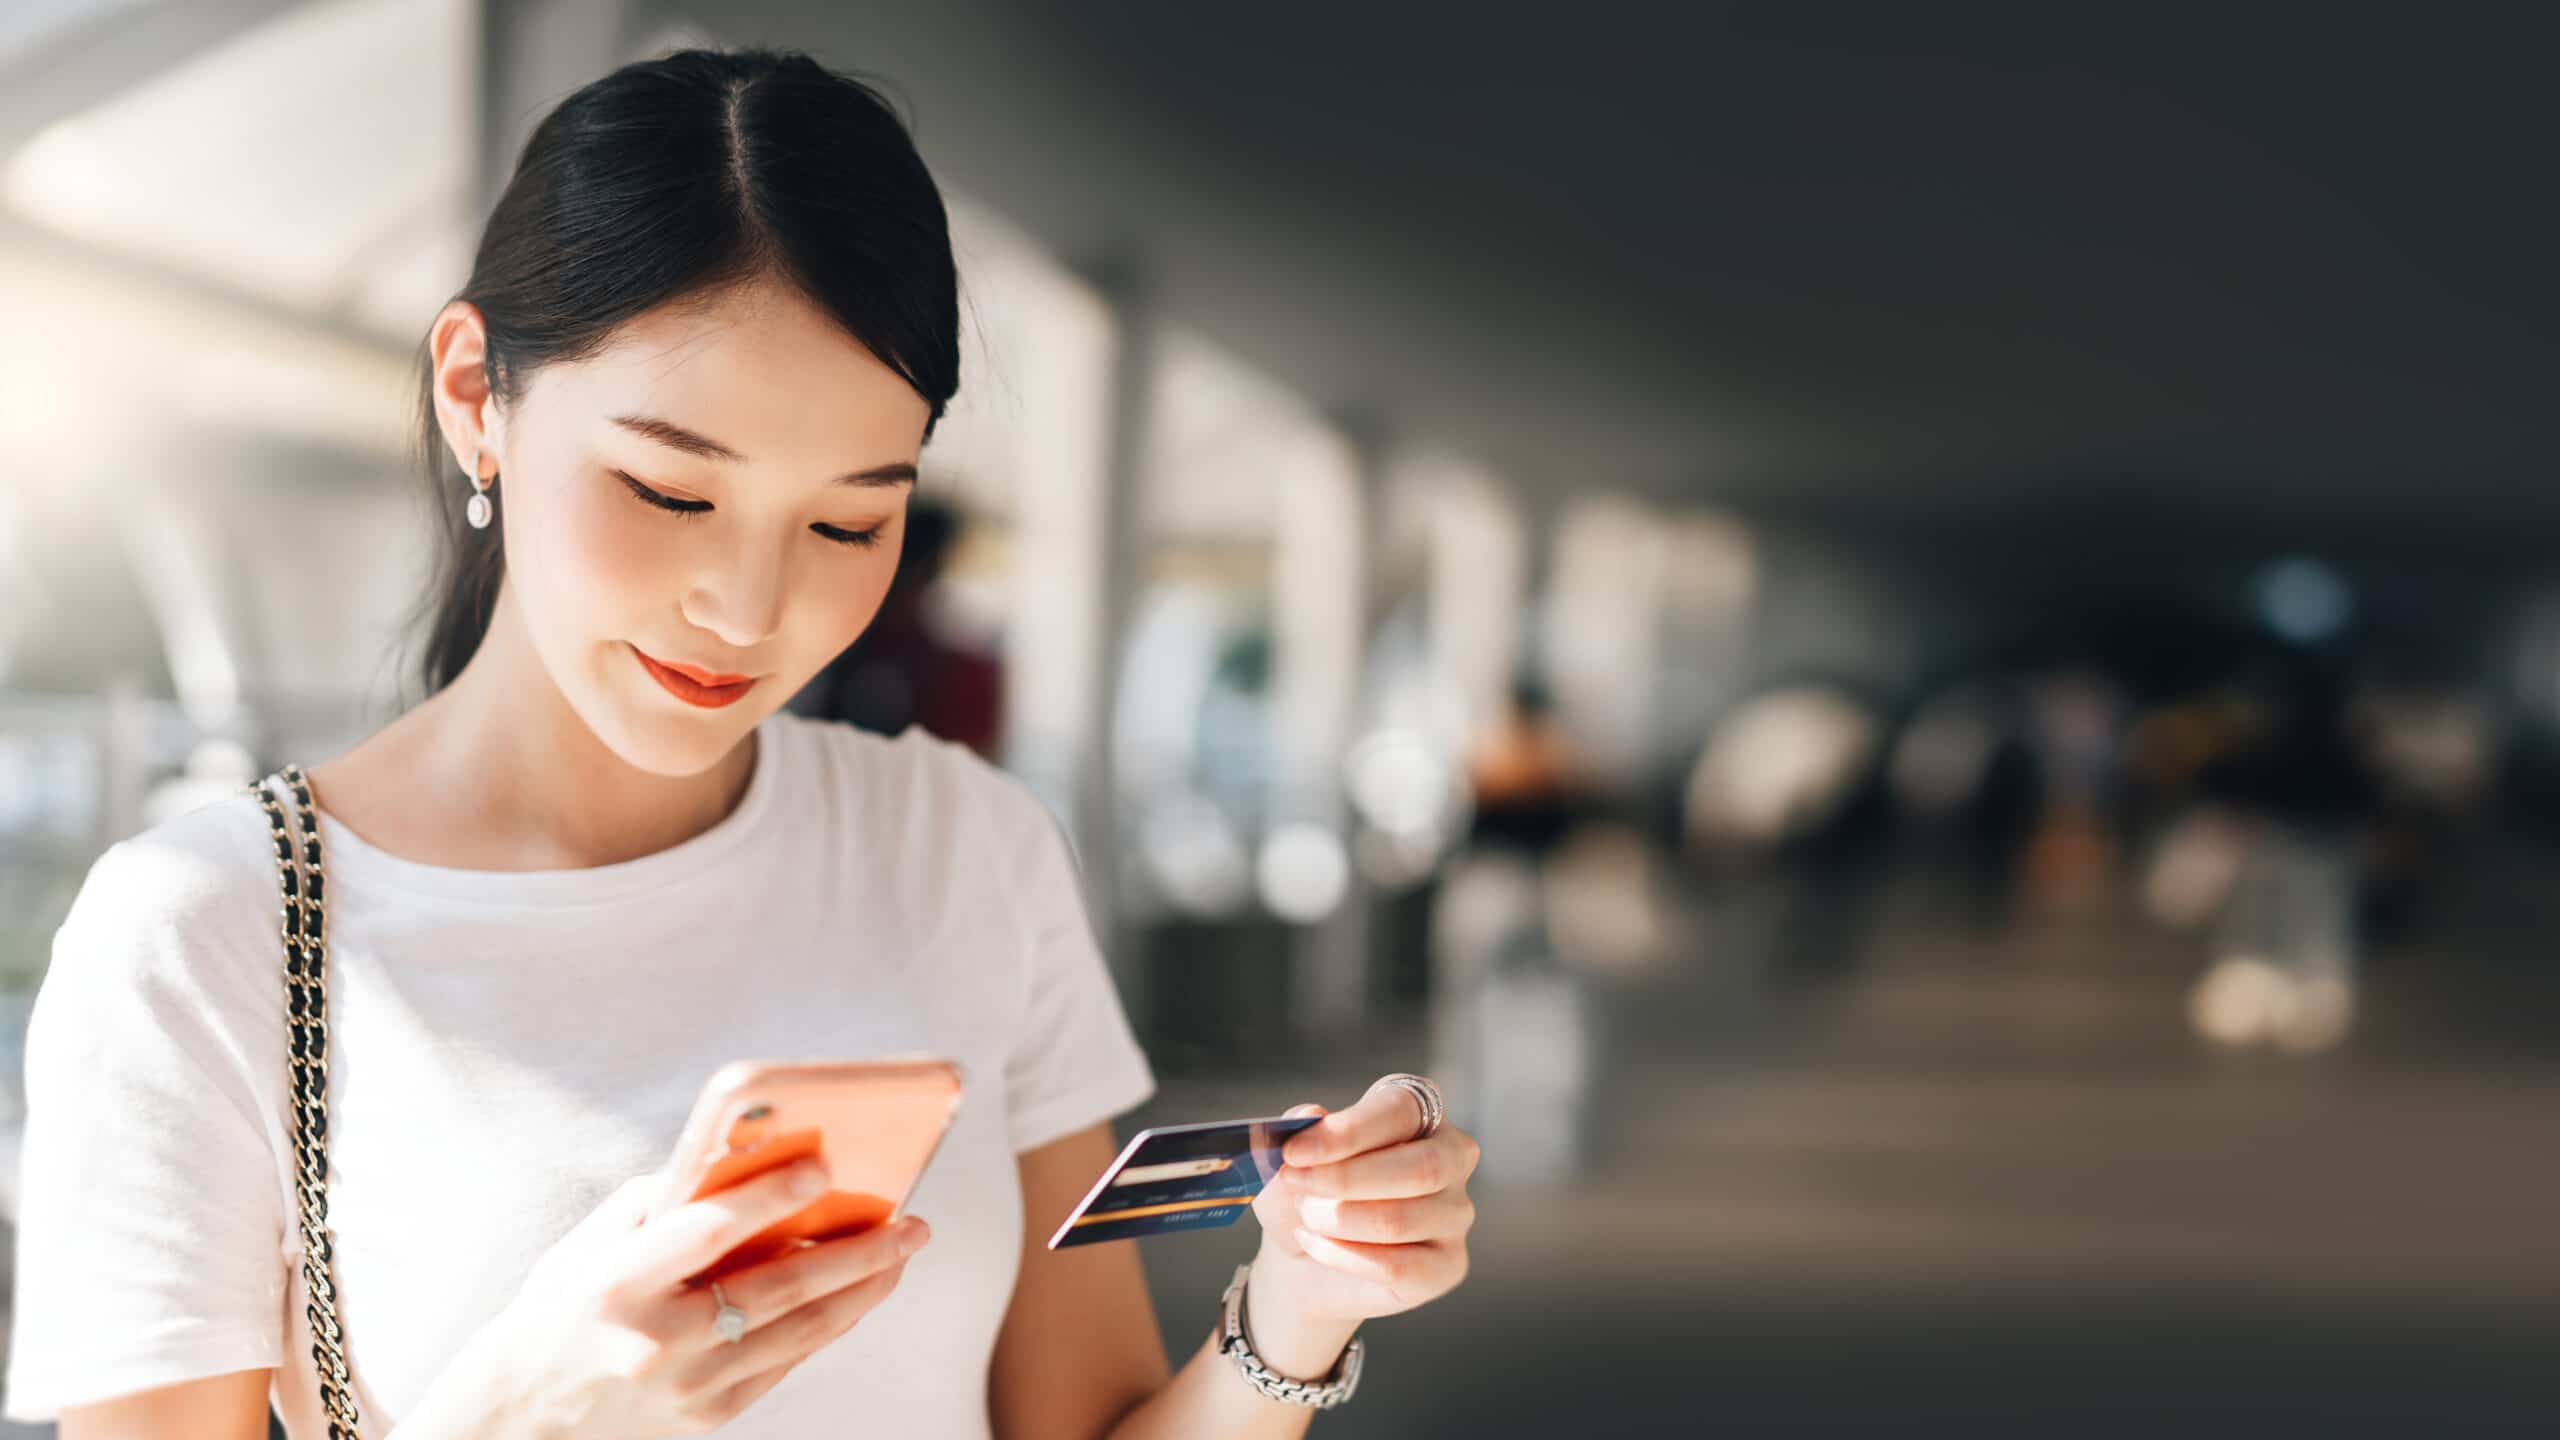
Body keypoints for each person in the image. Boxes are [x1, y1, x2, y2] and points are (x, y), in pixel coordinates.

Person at [1, 48, 1476, 1439]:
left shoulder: (966, 851)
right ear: (477, 399)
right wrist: (537, 1409)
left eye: (849, 520)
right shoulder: (209, 934)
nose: (749, 609)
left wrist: (1299, 1306)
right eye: (667, 492)